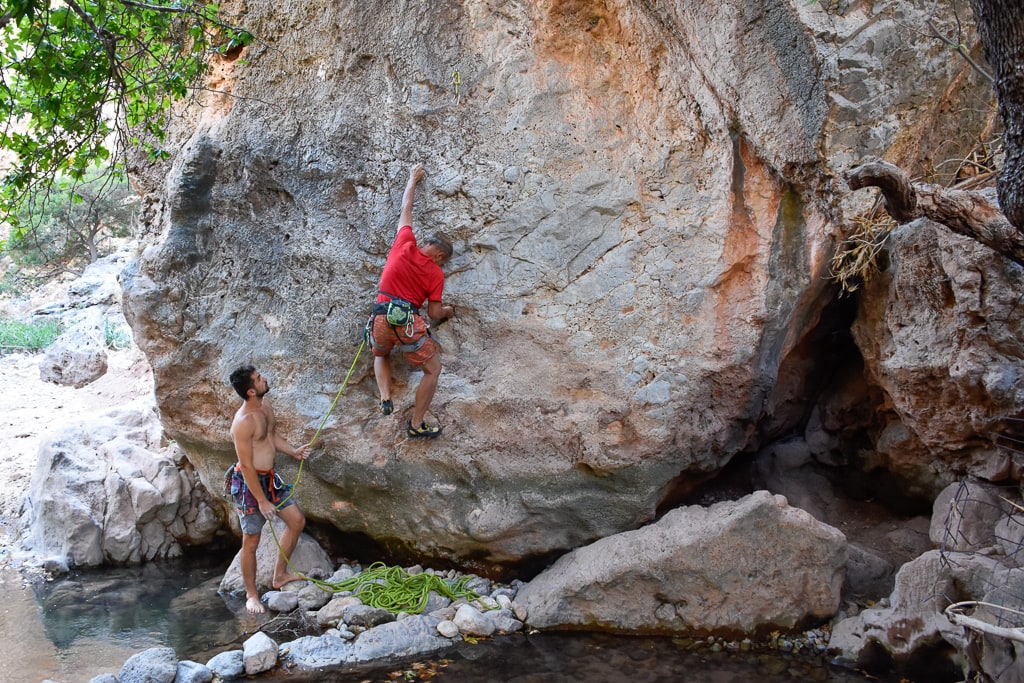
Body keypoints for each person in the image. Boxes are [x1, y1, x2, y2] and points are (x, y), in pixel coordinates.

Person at [368, 163, 454, 438]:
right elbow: (435, 312)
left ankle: (384, 396)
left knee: (380, 353)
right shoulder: (435, 273)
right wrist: (450, 311)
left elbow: (406, 207)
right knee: (433, 370)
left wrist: (412, 179)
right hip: (407, 322)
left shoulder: (404, 243)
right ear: (440, 256)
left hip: (381, 318)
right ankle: (417, 424)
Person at [227, 365, 310, 614]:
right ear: (251, 391)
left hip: (270, 478)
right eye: (259, 378)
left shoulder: (265, 407)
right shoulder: (242, 423)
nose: (265, 378)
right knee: (251, 541)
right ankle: (251, 595)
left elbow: (271, 436)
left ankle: (279, 576)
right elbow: (248, 466)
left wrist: (292, 451)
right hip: (249, 483)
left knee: (296, 521)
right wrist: (262, 501)